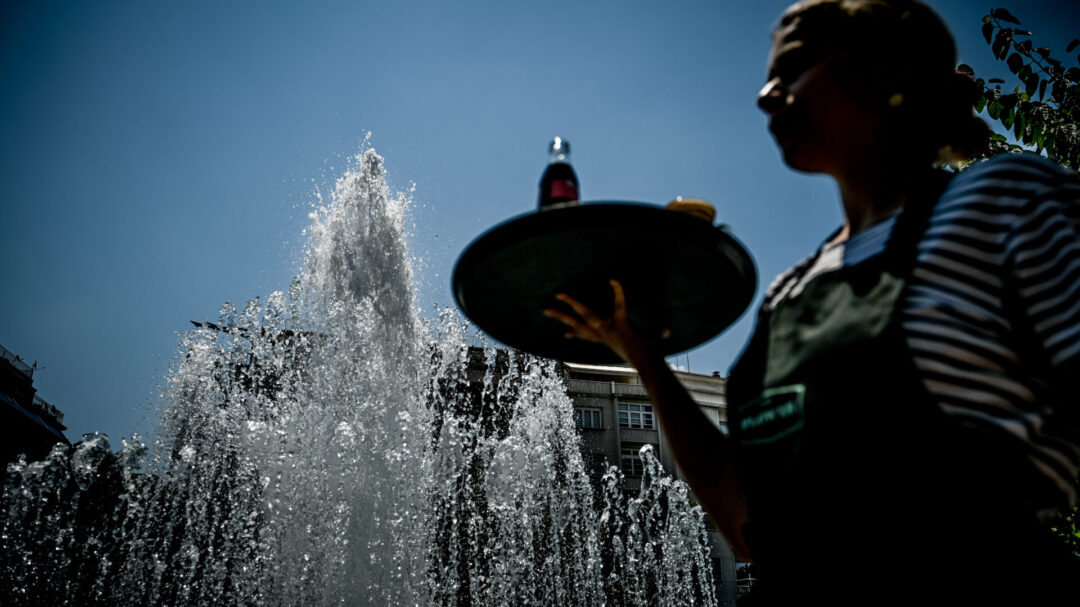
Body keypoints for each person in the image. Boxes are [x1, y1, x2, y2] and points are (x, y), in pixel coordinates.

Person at [544, 0, 1080, 604]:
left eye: (793, 69)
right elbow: (752, 527)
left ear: (886, 73)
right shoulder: (793, 291)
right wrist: (645, 358)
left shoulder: (1004, 205)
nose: (766, 95)